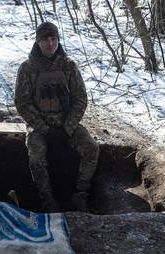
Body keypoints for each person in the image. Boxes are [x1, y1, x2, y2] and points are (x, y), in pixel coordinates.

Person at [14, 22, 99, 212]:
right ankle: (48, 202)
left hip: (67, 125)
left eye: (54, 39)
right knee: (36, 159)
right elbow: (22, 102)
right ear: (38, 42)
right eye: (45, 39)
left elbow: (80, 99)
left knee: (91, 148)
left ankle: (80, 195)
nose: (50, 43)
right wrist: (45, 129)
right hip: (39, 127)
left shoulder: (69, 66)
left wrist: (67, 127)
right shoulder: (27, 68)